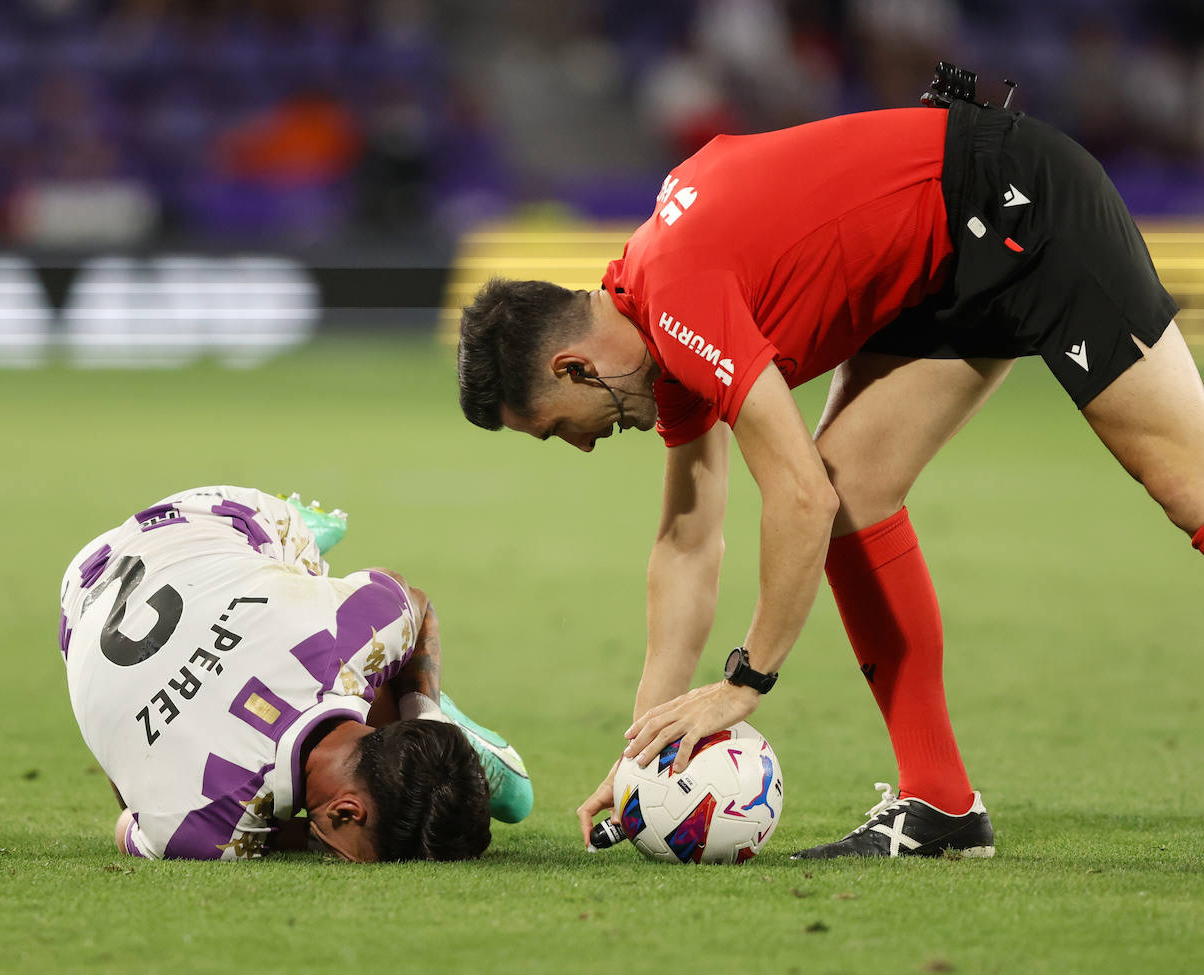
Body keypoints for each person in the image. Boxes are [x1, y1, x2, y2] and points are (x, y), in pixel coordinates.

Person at [456, 91, 1204, 859]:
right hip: (949, 255)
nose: (581, 446)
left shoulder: (679, 297)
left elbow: (799, 496)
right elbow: (687, 540)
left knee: (1191, 490)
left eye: (556, 428)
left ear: (571, 367)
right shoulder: (654, 320)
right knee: (858, 489)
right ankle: (940, 807)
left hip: (1018, 202)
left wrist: (747, 680)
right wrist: (641, 755)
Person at [57, 485, 532, 862]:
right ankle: (306, 567)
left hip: (167, 540)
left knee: (365, 647)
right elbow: (130, 816)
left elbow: (414, 604)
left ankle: (419, 724)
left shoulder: (347, 642)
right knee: (355, 658)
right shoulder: (201, 827)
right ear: (348, 810)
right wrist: (290, 836)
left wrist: (420, 712)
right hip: (84, 609)